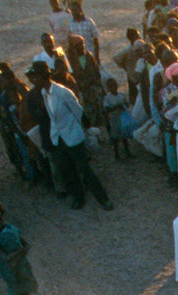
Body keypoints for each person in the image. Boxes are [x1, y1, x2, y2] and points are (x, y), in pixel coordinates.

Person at [25, 61, 113, 210]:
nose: (33, 81)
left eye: (36, 77)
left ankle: (103, 199)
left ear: (43, 77)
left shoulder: (62, 92)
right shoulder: (44, 93)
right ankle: (79, 197)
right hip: (58, 138)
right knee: (67, 170)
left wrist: (75, 130)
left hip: (72, 136)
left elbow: (78, 111)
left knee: (84, 169)